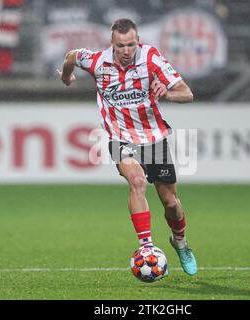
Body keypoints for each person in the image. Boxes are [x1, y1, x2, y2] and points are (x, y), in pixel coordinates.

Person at [57, 19, 197, 276]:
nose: (126, 50)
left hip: (153, 138)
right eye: (121, 45)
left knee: (171, 203)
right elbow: (70, 56)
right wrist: (67, 77)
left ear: (137, 41)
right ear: (112, 44)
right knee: (137, 180)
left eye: (131, 44)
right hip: (118, 136)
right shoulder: (97, 61)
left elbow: (186, 93)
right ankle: (146, 247)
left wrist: (165, 94)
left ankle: (180, 242)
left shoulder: (151, 58)